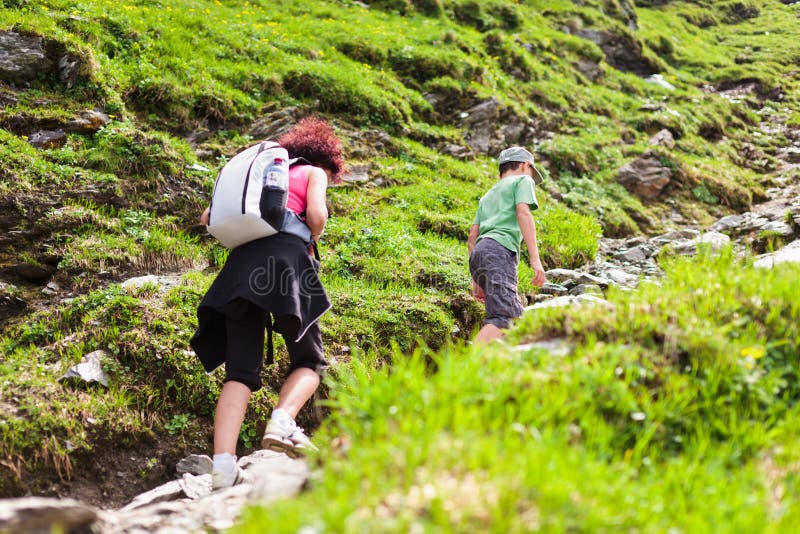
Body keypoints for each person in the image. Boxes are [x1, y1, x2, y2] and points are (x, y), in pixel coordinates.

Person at [190, 117, 344, 489]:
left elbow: (208, 218)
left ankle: (223, 467)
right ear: (326, 160)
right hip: (287, 260)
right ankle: (282, 422)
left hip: (241, 266)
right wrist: (312, 234)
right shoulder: (313, 172)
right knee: (309, 360)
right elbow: (317, 216)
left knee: (240, 372)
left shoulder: (259, 175)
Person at [467, 146, 547, 344]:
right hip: (498, 251)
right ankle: (467, 367)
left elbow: (472, 236)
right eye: (531, 172)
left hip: (480, 252)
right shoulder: (523, 180)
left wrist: (477, 279)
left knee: (513, 315)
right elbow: (523, 213)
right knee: (505, 317)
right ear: (525, 165)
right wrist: (536, 261)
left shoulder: (487, 195)